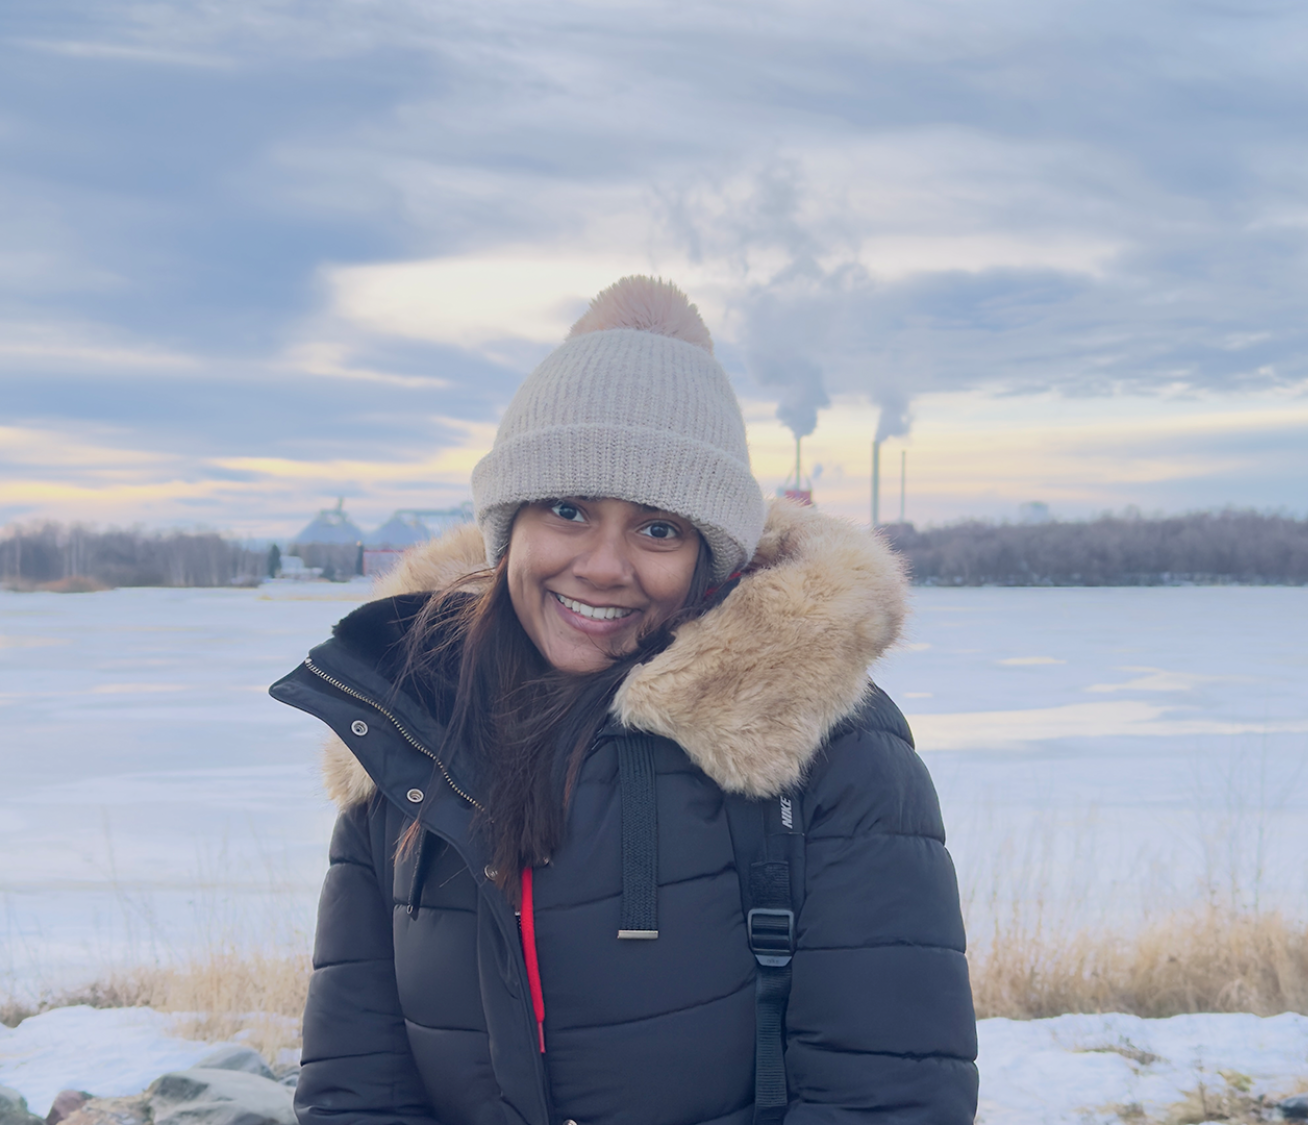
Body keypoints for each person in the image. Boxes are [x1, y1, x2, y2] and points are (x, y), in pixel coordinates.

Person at [271, 276, 978, 1125]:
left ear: (707, 558)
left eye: (657, 528)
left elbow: (891, 1097)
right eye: (568, 510)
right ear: (510, 528)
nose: (603, 566)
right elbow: (357, 1089)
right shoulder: (408, 725)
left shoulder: (828, 749)